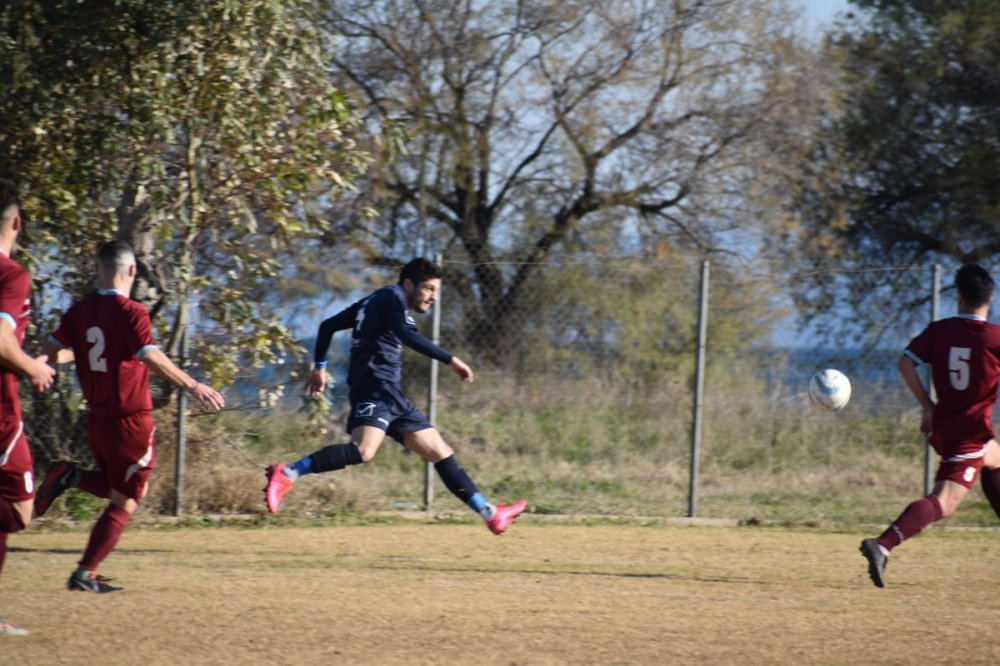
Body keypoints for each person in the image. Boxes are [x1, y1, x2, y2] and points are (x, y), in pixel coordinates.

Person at [264, 257, 526, 534]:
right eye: (428, 289)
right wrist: (451, 360)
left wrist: (320, 368)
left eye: (436, 291)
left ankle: (490, 513)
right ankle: (288, 473)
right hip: (375, 388)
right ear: (408, 284)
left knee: (441, 453)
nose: (433, 297)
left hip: (392, 394)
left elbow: (327, 326)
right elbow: (406, 335)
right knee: (362, 451)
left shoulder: (376, 301)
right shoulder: (391, 298)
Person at [34, 240, 225, 593]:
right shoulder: (132, 311)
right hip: (130, 420)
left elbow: (52, 352)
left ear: (97, 270)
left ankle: (71, 475)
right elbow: (149, 355)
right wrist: (192, 385)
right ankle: (84, 573)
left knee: (116, 486)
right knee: (128, 497)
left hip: (97, 420)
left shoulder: (79, 310)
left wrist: (75, 360)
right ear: (132, 271)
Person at [860, 263, 1000, 588]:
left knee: (996, 458)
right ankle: (882, 544)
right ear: (989, 299)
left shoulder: (939, 331)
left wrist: (927, 405)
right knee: (945, 501)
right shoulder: (994, 337)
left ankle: (882, 545)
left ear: (960, 297)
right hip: (969, 433)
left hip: (945, 427)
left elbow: (905, 362)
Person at [0, 179, 56, 634]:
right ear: (16, 223)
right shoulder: (10, 274)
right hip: (0, 411)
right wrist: (30, 368)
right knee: (19, 510)